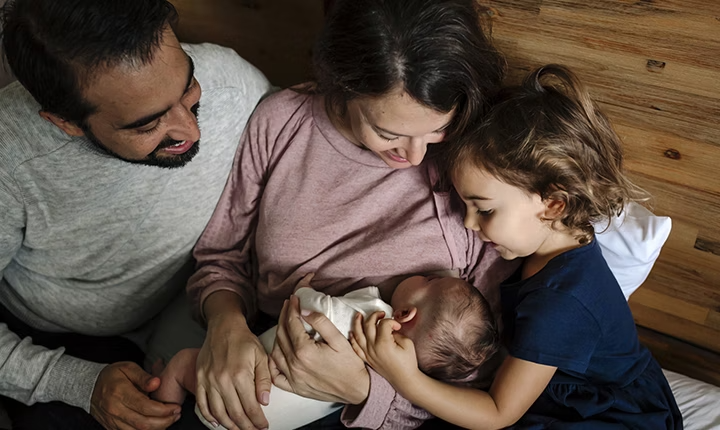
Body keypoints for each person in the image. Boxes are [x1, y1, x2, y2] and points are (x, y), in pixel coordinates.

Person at [185, 0, 514, 429]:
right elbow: (221, 257)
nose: (415, 157)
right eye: (388, 133)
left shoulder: (476, 165)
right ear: (342, 85)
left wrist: (363, 391)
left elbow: (473, 369)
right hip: (263, 352)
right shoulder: (282, 122)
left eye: (436, 130)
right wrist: (225, 323)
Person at [351, 65, 683, 429]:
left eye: (485, 209)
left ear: (555, 204)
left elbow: (497, 413)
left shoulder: (561, 302)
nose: (468, 223)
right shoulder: (550, 245)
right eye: (467, 206)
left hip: (610, 414)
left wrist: (405, 379)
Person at [0, 0, 272, 428]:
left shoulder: (231, 79)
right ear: (66, 123)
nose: (191, 129)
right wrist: (75, 382)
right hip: (56, 341)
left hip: (197, 303)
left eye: (187, 88)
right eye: (147, 125)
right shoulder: (9, 156)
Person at [157, 273, 498, 430]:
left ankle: (161, 408)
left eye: (428, 282)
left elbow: (312, 310)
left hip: (227, 386)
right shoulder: (394, 381)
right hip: (257, 423)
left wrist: (304, 288)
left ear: (406, 314)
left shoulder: (369, 314)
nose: (426, 275)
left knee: (183, 362)